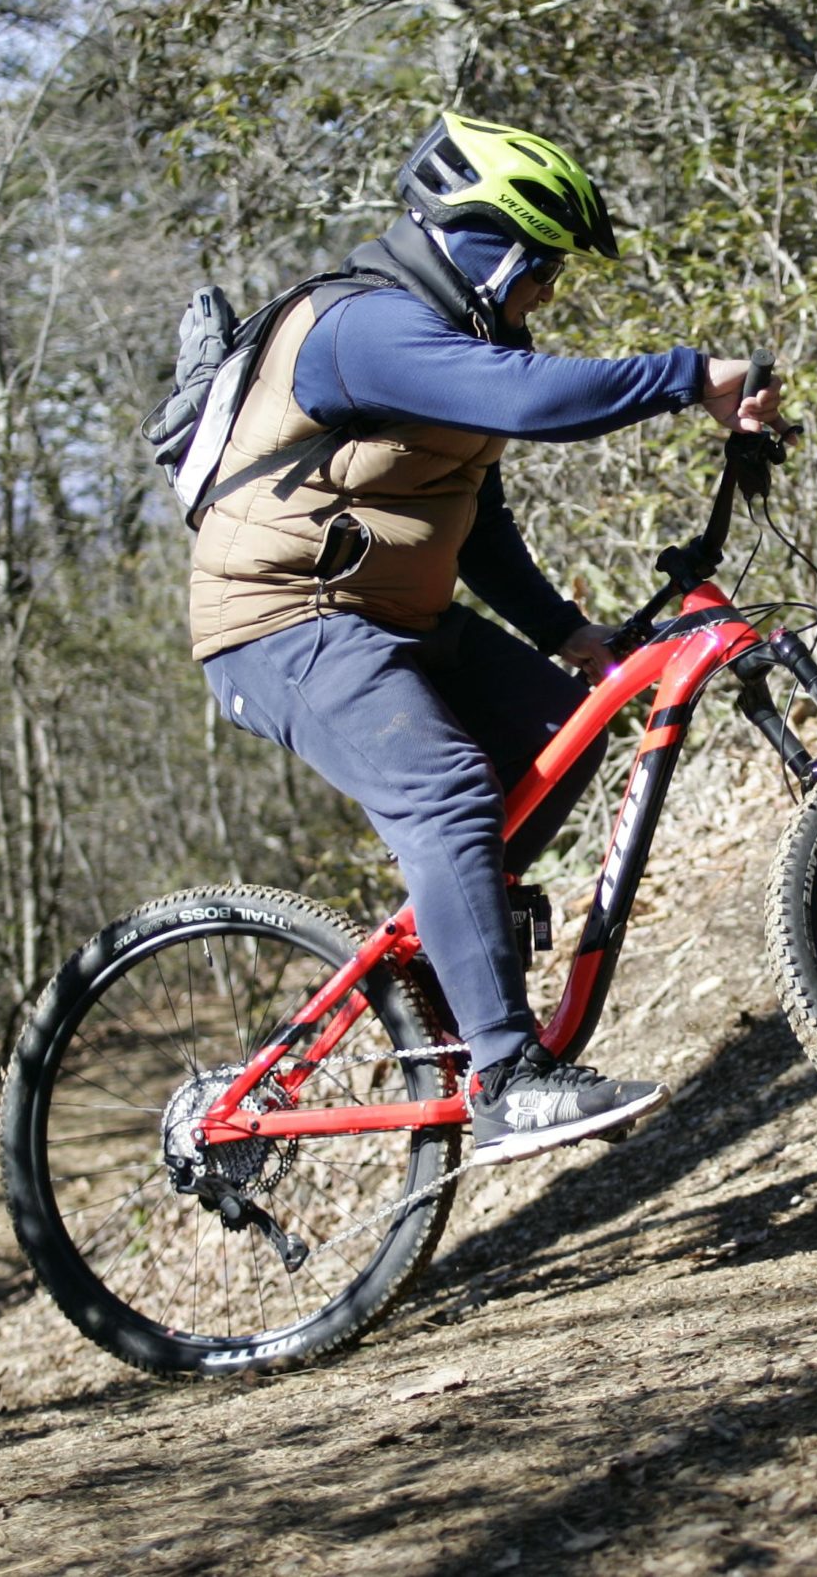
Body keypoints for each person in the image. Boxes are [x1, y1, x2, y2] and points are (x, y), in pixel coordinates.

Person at [190, 113, 784, 1167]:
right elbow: (531, 400)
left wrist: (565, 633)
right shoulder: (359, 327)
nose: (546, 292)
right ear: (480, 242)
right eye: (540, 266)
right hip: (280, 624)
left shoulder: (453, 342)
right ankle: (510, 1079)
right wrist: (688, 375)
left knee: (568, 726)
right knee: (448, 791)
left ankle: (450, 940)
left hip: (392, 618)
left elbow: (475, 518)